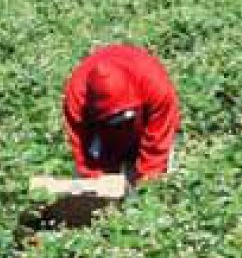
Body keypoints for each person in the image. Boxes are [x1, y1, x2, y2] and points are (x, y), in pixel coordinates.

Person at [62, 44, 180, 181]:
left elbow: (159, 142)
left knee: (156, 176)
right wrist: (96, 183)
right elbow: (84, 152)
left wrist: (148, 183)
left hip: (145, 123)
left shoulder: (154, 84)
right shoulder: (77, 94)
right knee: (94, 182)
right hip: (102, 133)